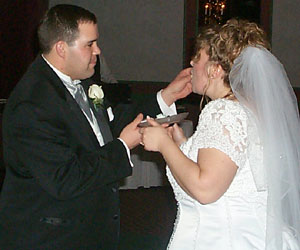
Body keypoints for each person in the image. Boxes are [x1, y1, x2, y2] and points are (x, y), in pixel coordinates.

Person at [0, 4, 192, 250]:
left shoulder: (82, 81)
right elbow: (65, 178)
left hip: (88, 229)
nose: (98, 51)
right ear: (61, 48)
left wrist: (166, 97)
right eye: (89, 44)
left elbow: (114, 120)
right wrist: (123, 147)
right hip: (51, 236)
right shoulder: (32, 104)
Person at [141, 19, 300, 250]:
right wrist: (184, 146)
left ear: (215, 69)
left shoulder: (222, 111)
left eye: (198, 57)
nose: (192, 63)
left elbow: (206, 190)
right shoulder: (251, 109)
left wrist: (166, 145)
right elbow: (232, 170)